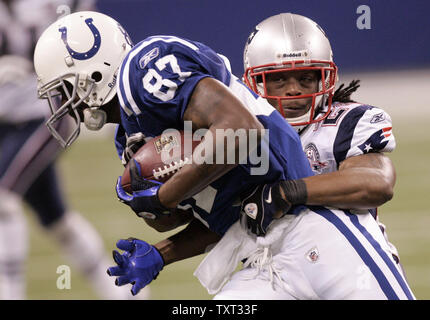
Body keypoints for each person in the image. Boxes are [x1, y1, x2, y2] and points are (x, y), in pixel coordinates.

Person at [33, 11, 415, 299]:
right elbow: (230, 214)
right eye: (278, 79)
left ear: (91, 73)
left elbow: (241, 132)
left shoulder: (143, 70)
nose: (64, 104)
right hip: (258, 256)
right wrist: (161, 246)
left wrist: (165, 195)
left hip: (317, 232)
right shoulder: (132, 135)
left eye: (64, 89)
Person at [0, 0, 147, 300]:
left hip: (43, 114)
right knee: (57, 220)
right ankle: (122, 291)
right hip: (6, 119)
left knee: (3, 201)